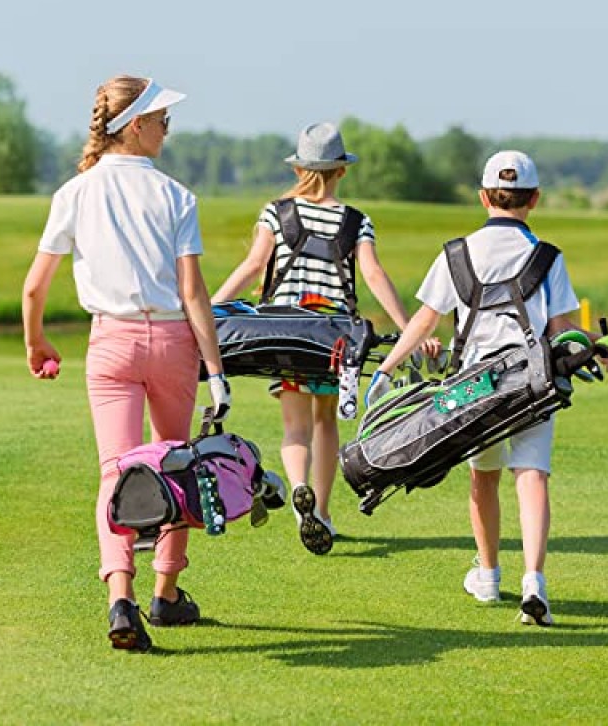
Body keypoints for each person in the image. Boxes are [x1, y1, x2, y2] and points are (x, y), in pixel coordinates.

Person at [22, 75, 231, 652]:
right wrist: (216, 372)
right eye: (162, 118)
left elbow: (35, 288)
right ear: (135, 125)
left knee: (116, 470)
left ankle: (121, 597)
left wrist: (35, 342)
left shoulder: (75, 191)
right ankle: (165, 594)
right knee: (176, 463)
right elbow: (193, 295)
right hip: (171, 344)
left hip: (109, 343)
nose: (169, 128)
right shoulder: (176, 196)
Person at [366, 149, 600, 626]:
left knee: (483, 478)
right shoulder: (548, 257)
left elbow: (424, 321)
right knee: (531, 476)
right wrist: (600, 348)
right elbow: (562, 330)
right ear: (534, 199)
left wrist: (387, 368)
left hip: (471, 387)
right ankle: (534, 581)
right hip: (533, 381)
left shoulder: (457, 253)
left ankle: (489, 575)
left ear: (483, 197)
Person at [211, 122, 438, 554]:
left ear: (299, 169)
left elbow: (253, 266)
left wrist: (209, 311)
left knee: (294, 426)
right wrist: (410, 327)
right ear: (341, 171)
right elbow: (372, 274)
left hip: (283, 333)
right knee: (326, 421)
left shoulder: (274, 212)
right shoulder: (356, 221)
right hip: (332, 340)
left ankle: (301, 499)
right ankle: (325, 514)